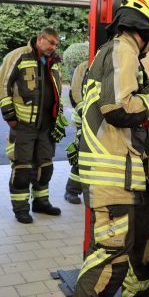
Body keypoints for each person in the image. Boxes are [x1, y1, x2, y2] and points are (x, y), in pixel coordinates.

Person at [73, 0, 149, 297]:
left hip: (115, 178)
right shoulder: (122, 50)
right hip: (112, 180)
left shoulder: (110, 52)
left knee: (111, 252)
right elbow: (118, 109)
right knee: (110, 260)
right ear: (146, 30)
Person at [0, 27, 68, 223]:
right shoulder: (18, 56)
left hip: (47, 125)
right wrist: (10, 115)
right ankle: (21, 209)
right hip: (24, 125)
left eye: (56, 44)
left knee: (45, 166)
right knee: (23, 168)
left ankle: (41, 202)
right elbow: (1, 85)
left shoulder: (53, 62)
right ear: (40, 39)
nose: (54, 47)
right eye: (51, 43)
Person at [64, 59, 89, 204]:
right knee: (82, 156)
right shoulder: (84, 67)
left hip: (102, 121)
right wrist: (84, 113)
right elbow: (75, 92)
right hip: (83, 120)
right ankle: (71, 191)